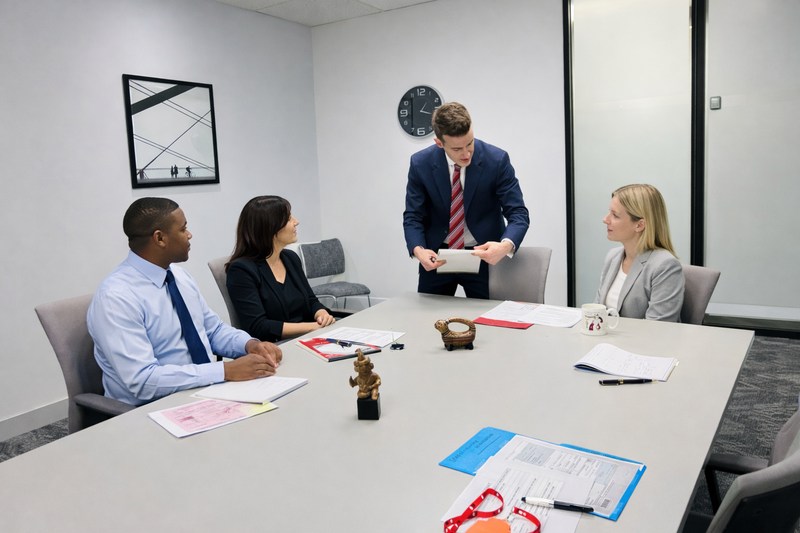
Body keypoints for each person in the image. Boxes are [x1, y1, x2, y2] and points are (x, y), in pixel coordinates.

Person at [87, 197, 282, 406]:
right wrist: (225, 371)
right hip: (152, 409)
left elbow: (212, 331)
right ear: (160, 238)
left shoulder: (179, 277)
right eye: (183, 229)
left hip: (205, 391)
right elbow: (143, 380)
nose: (189, 235)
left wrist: (249, 344)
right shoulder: (116, 298)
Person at [403, 102, 529, 299]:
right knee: (429, 321)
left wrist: (505, 245)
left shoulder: (496, 160)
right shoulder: (421, 164)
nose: (466, 153)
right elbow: (413, 215)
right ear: (439, 143)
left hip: (485, 257)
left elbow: (518, 213)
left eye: (470, 143)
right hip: (438, 257)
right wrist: (418, 250)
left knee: (490, 322)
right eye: (457, 148)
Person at [225, 196, 335, 343]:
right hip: (276, 346)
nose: (296, 222)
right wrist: (311, 328)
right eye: (289, 219)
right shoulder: (241, 270)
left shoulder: (290, 258)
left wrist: (321, 314)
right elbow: (258, 326)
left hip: (308, 337)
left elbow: (310, 300)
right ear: (270, 227)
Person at [594, 184, 684, 321]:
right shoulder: (613, 256)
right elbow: (597, 311)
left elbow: (657, 329)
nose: (605, 219)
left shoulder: (665, 266)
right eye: (609, 212)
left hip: (643, 342)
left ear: (640, 225)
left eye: (615, 215)